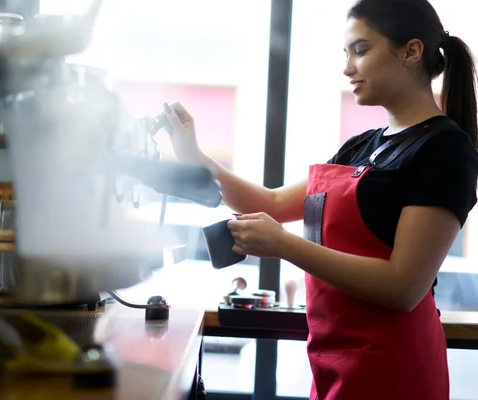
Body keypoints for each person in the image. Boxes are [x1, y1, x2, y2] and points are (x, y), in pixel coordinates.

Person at [161, 0, 478, 399]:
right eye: (346, 54)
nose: (348, 68)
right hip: (331, 361)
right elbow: (272, 204)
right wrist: (196, 157)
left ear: (411, 52)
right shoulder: (362, 145)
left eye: (361, 50)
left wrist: (284, 246)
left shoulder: (446, 149)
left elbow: (403, 287)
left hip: (394, 369)